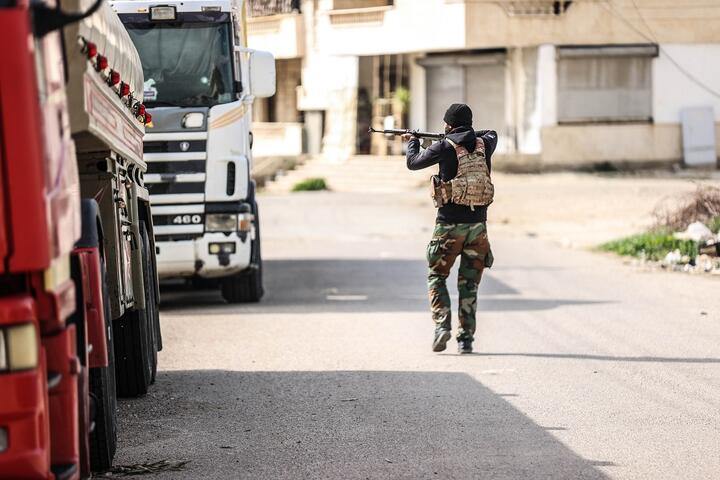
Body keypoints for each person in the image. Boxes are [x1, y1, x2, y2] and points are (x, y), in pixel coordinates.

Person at [404, 103, 497, 354]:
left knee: (437, 276)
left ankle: (441, 325)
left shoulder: (444, 146)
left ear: (447, 125)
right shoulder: (484, 144)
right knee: (469, 285)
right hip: (478, 227)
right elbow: (490, 132)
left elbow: (413, 163)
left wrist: (413, 140)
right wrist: (464, 133)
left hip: (448, 227)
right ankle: (465, 339)